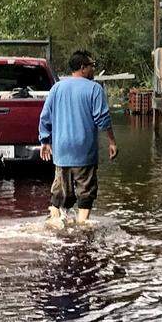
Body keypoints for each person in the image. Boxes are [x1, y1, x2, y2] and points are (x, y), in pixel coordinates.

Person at [38, 50, 117, 225]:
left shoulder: (57, 88)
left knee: (59, 193)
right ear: (83, 68)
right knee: (86, 192)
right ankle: (82, 226)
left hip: (62, 150)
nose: (94, 69)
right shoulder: (94, 89)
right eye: (92, 65)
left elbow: (45, 117)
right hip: (84, 151)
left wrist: (44, 141)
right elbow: (103, 118)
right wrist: (112, 141)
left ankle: (54, 223)